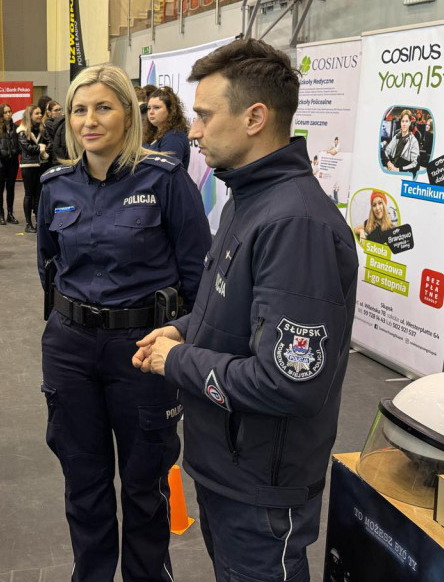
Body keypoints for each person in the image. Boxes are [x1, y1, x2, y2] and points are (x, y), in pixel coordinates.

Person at [133, 39, 359, 582]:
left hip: (261, 486)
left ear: (255, 117)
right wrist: (183, 328)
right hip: (229, 467)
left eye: (206, 116)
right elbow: (240, 311)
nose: (194, 130)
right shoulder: (249, 199)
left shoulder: (295, 224)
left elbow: (289, 382)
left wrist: (176, 360)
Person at [37, 65, 211, 582]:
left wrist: (177, 337)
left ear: (128, 114)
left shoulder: (164, 181)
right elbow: (48, 270)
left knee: (144, 483)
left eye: (103, 107)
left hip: (141, 350)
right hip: (70, 350)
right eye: (79, 110)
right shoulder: (55, 186)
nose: (89, 120)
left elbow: (197, 278)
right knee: (83, 480)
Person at [143, 86, 191, 169]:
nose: (151, 112)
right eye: (149, 108)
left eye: (156, 108)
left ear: (170, 110)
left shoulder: (174, 137)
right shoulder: (152, 133)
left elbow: (167, 174)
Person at [17, 104, 45, 233]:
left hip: (40, 165)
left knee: (39, 195)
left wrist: (42, 148)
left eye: (40, 113)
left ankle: (39, 221)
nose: (40, 115)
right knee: (29, 195)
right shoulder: (22, 130)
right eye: (37, 113)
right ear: (30, 115)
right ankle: (28, 224)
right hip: (28, 166)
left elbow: (49, 143)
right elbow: (27, 148)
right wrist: (41, 148)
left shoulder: (41, 129)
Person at [0, 103, 20, 225]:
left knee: (11, 188)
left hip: (13, 162)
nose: (8, 114)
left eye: (9, 111)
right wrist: (0, 152)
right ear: (1, 114)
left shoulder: (17, 127)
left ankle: (10, 213)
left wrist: (16, 151)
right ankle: (1, 214)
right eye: (5, 112)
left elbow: (19, 143)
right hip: (0, 162)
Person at [383, 109, 419, 173]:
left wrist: (398, 169)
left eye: (406, 121)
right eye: (402, 121)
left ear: (410, 122)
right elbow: (387, 151)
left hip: (401, 171)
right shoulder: (396, 136)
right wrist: (388, 163)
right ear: (400, 122)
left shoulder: (414, 141)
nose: (404, 124)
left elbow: (414, 164)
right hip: (391, 168)